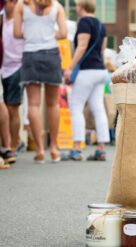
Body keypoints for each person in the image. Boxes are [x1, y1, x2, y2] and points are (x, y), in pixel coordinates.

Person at [14, 0, 67, 163]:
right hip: (51, 54)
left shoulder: (21, 5)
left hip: (30, 54)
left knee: (33, 104)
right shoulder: (57, 6)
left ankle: (40, 150)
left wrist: (31, 35)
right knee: (53, 104)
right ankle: (54, 148)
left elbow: (16, 33)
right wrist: (50, 35)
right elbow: (64, 33)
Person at [63, 0, 109, 161]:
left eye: (76, 5)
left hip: (87, 71)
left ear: (81, 7)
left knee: (76, 106)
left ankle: (76, 148)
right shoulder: (101, 25)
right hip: (101, 71)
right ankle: (101, 148)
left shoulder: (84, 22)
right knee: (98, 108)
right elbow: (102, 50)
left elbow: (81, 47)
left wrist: (69, 68)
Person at [2, 0, 25, 155]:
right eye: (10, 1)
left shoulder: (22, 20)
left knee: (12, 107)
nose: (13, 4)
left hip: (17, 67)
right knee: (5, 107)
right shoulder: (1, 17)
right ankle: (9, 142)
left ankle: (14, 144)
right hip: (2, 67)